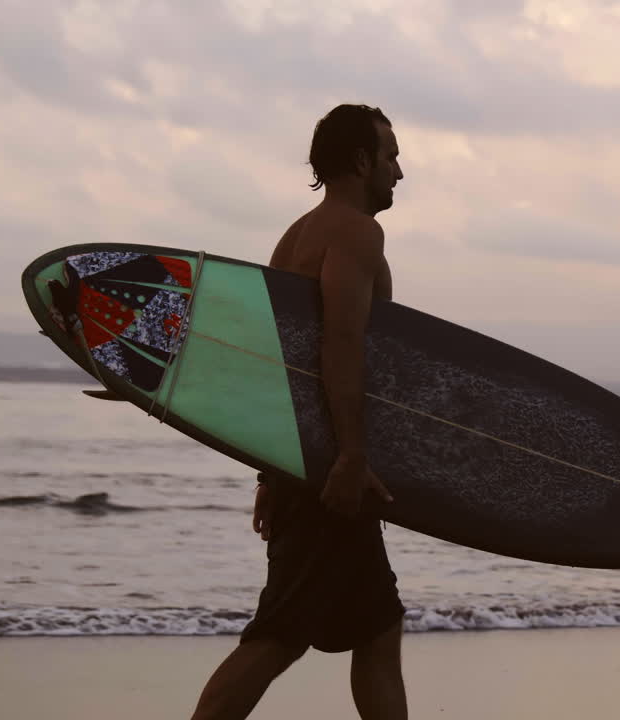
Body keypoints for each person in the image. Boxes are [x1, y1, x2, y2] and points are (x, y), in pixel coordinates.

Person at [190, 104, 407, 720]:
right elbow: (340, 343)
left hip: (307, 462)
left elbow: (278, 363)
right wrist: (350, 456)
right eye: (390, 155)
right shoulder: (356, 232)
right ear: (361, 161)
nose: (399, 171)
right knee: (279, 635)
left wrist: (269, 469)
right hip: (329, 469)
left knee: (377, 630)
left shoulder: (296, 235)